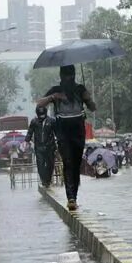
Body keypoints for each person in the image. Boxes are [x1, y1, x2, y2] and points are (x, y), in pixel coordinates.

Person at [37, 65, 96, 210]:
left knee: (75, 164)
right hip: (62, 131)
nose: (68, 78)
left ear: (74, 75)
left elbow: (93, 107)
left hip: (78, 130)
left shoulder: (80, 89)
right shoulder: (56, 90)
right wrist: (53, 97)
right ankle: (71, 197)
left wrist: (88, 99)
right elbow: (39, 104)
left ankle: (73, 196)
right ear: (61, 76)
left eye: (70, 75)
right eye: (65, 75)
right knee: (68, 161)